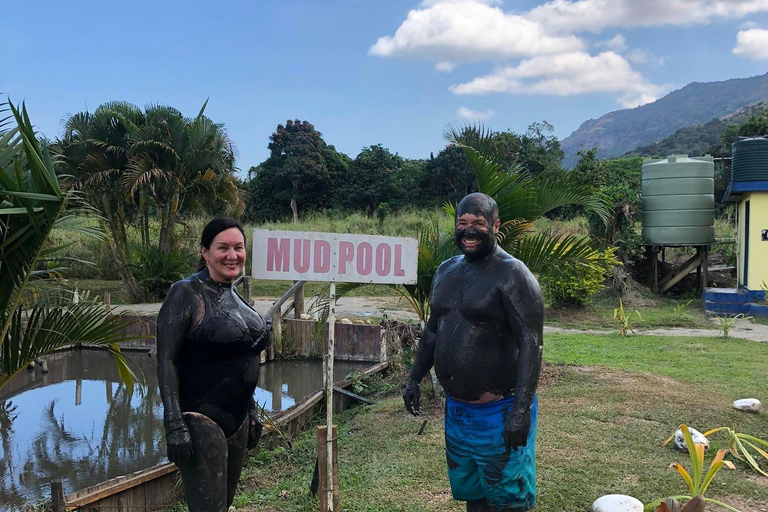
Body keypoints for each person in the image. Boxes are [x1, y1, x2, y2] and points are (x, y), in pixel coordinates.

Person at [403, 193, 543, 512]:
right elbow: (432, 333)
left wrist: (520, 411)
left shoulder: (513, 274)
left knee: (508, 501)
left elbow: (531, 345)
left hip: (500, 411)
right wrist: (414, 379)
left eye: (478, 223)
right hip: (457, 412)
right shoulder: (445, 270)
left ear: (495, 226)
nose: (469, 230)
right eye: (462, 223)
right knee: (473, 495)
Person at [157, 217, 269, 512]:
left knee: (227, 503)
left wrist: (252, 410)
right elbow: (166, 359)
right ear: (205, 252)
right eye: (223, 248)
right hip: (200, 420)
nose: (232, 255)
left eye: (238, 247)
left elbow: (244, 357)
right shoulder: (185, 292)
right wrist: (173, 424)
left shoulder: (234, 293)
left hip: (238, 418)